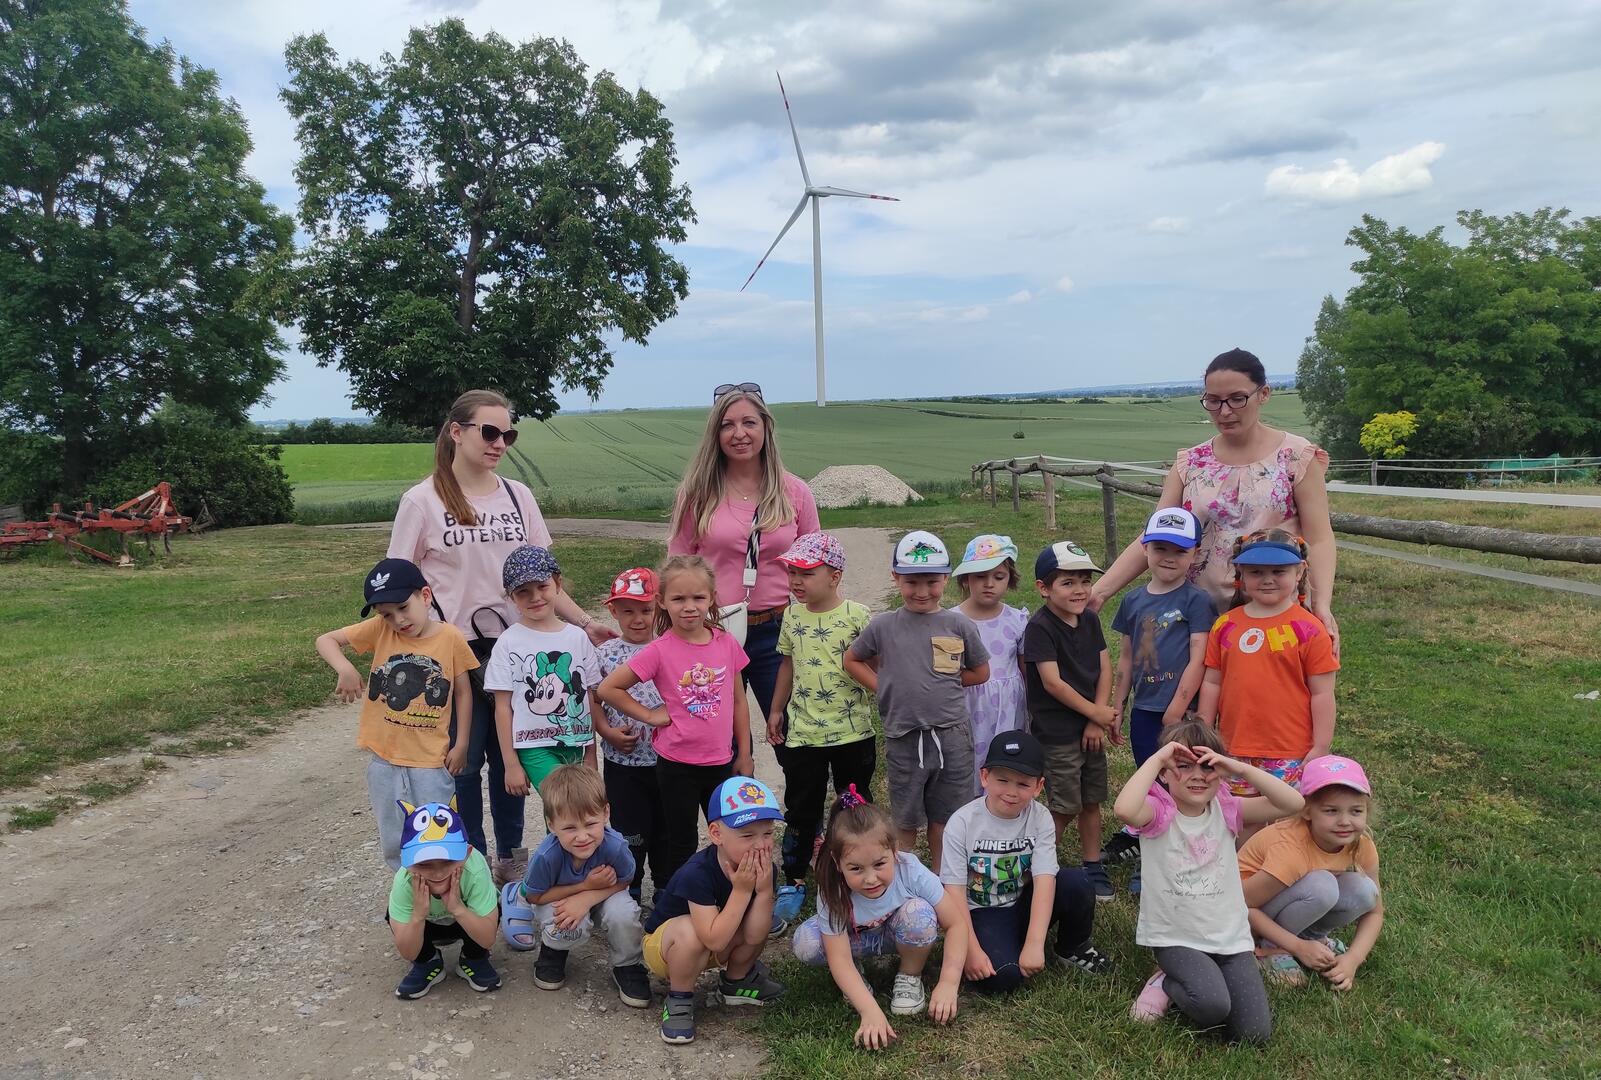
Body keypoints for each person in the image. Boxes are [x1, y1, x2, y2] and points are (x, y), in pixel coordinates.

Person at [389, 389, 614, 887]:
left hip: (520, 647)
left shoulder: (518, 496)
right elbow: (400, 586)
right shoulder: (421, 501)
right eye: (489, 432)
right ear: (456, 432)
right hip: (455, 652)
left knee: (510, 757)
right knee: (465, 763)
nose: (499, 443)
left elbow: (544, 578)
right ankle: (469, 856)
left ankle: (512, 856)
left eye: (508, 435)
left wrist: (583, 622)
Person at [1090, 348, 1339, 657]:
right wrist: (1100, 591)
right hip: (1197, 615)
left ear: (1263, 394)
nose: (1224, 411)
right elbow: (1155, 536)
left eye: (1237, 399)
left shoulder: (1296, 457)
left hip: (1272, 613)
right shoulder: (1190, 463)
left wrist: (1322, 605)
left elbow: (1319, 538)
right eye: (1213, 401)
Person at [1113, 721, 1304, 1041]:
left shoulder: (1228, 809)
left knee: (1254, 1034)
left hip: (1230, 937)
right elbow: (1123, 808)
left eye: (1207, 766)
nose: (1197, 775)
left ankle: (1207, 975)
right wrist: (1158, 759)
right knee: (1212, 1005)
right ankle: (1165, 983)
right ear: (1165, 773)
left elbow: (1293, 803)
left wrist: (1238, 768)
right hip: (1175, 937)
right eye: (1183, 766)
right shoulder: (1158, 812)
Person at [667, 383, 820, 755]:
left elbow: (815, 565)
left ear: (766, 427)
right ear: (715, 434)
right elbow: (677, 566)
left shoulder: (795, 492)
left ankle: (800, 798)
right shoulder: (697, 493)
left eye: (749, 422)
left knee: (794, 740)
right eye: (728, 425)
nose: (739, 434)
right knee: (720, 744)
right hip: (713, 631)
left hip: (778, 631)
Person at [596, 555, 751, 883]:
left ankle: (727, 893)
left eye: (698, 597)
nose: (689, 607)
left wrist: (745, 753)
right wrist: (650, 715)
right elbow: (609, 688)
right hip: (677, 766)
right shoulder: (660, 649)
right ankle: (677, 900)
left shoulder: (726, 643)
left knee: (729, 834)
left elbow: (739, 700)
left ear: (712, 598)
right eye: (679, 598)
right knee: (681, 841)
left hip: (721, 762)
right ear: (662, 602)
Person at [315, 557, 477, 870]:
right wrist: (344, 667)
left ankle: (446, 891)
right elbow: (326, 640)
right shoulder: (381, 630)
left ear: (425, 596)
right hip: (384, 760)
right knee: (394, 837)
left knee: (439, 833)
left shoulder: (450, 638)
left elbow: (463, 692)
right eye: (387, 614)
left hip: (430, 760)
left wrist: (462, 744)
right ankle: (407, 887)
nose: (398, 620)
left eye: (403, 607)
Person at [844, 530, 989, 873]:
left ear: (946, 579)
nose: (922, 592)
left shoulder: (959, 625)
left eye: (931, 582)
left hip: (952, 736)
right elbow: (852, 659)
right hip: (905, 736)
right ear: (895, 578)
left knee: (946, 817)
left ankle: (941, 878)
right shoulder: (883, 626)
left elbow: (980, 671)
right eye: (911, 582)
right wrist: (883, 685)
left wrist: (943, 683)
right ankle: (902, 878)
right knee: (906, 819)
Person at [791, 788, 969, 1050]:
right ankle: (856, 981)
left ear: (894, 851)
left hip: (898, 933)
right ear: (837, 862)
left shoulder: (911, 870)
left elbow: (956, 923)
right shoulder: (832, 887)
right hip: (853, 942)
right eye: (856, 868)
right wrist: (870, 1011)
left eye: (879, 864)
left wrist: (948, 983)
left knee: (920, 913)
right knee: (806, 941)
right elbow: (838, 957)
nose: (870, 878)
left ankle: (910, 974)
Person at [939, 731, 1112, 995]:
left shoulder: (1040, 818)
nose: (1011, 792)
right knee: (1002, 978)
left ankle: (1071, 947)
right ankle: (1000, 949)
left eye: (1023, 784)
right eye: (1002, 780)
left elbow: (1045, 879)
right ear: (984, 777)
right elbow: (953, 891)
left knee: (1078, 882)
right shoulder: (961, 823)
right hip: (982, 911)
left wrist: (1035, 943)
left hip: (1023, 900)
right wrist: (970, 950)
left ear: (1039, 786)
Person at [1102, 508, 1217, 893]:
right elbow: (1126, 658)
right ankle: (1149, 845)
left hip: (1181, 714)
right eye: (1160, 548)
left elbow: (1200, 657)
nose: (1169, 557)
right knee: (1150, 778)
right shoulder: (1132, 601)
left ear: (1195, 553)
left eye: (1180, 550)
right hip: (1145, 710)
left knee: (1182, 780)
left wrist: (1178, 708)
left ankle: (1177, 850)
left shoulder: (1196, 601)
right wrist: (1119, 704)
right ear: (1145, 549)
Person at [766, 531, 876, 931]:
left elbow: (876, 664)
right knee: (801, 807)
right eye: (792, 572)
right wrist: (775, 709)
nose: (796, 581)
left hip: (853, 732)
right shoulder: (792, 616)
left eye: (806, 573)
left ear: (835, 576)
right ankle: (794, 878)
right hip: (805, 733)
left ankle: (856, 869)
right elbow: (787, 664)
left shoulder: (858, 616)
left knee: (855, 804)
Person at [1196, 530, 1339, 810]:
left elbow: (1322, 693)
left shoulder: (1310, 629)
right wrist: (1204, 731)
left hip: (1290, 752)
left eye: (1278, 571)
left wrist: (1321, 746)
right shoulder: (1225, 625)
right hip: (1232, 749)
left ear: (1300, 572)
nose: (1267, 579)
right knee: (1237, 816)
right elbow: (1212, 683)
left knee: (1284, 818)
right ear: (1241, 573)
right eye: (1256, 572)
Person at [641, 775, 787, 1045]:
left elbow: (755, 935)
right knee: (690, 931)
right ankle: (680, 998)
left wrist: (765, 891)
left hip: (715, 941)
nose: (760, 845)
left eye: (768, 833)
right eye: (747, 835)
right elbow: (714, 940)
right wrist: (742, 891)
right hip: (666, 949)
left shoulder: (765, 869)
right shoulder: (697, 873)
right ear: (717, 834)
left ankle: (736, 981)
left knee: (761, 917)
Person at [496, 765, 650, 1008]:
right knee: (564, 918)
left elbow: (625, 880)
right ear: (551, 824)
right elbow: (535, 897)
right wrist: (584, 887)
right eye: (569, 828)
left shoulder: (615, 846)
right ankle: (554, 950)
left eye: (590, 824)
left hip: (603, 895)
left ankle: (628, 964)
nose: (582, 837)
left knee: (624, 912)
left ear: (606, 813)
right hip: (553, 896)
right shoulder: (547, 856)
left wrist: (586, 899)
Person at [1021, 540, 1117, 900]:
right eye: (1068, 582)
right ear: (1043, 588)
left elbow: (1104, 667)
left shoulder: (1089, 619)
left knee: (1091, 799)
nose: (1079, 590)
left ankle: (1092, 864)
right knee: (1063, 806)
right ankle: (1036, 869)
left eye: (1085, 581)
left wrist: (1096, 718)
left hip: (1089, 727)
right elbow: (1052, 683)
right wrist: (1094, 712)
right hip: (1058, 733)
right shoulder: (1040, 628)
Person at [1240, 755, 1383, 990]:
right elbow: (1241, 906)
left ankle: (1311, 937)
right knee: (1322, 885)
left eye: (1356, 811)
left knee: (1365, 890)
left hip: (1280, 902)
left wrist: (1353, 959)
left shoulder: (1362, 845)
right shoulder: (1291, 850)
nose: (1345, 821)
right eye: (1331, 811)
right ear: (1307, 811)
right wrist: (1296, 947)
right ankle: (1270, 948)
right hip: (1243, 919)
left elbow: (1375, 913)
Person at [486, 546, 601, 806]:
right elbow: (502, 707)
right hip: (534, 746)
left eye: (542, 586)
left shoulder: (577, 637)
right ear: (511, 597)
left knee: (577, 808)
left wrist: (591, 753)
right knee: (565, 804)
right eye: (523, 592)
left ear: (557, 584)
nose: (535, 597)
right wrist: (511, 764)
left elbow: (588, 697)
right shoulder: (508, 642)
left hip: (575, 742)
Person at [593, 568, 669, 904]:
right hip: (623, 762)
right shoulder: (605, 653)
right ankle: (629, 884)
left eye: (646, 610)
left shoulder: (670, 646)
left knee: (666, 826)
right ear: (613, 611)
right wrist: (607, 731)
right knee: (629, 830)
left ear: (659, 607)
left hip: (667, 759)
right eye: (628, 611)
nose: (638, 619)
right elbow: (594, 699)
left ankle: (666, 886)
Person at [386, 796, 501, 999]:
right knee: (397, 916)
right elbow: (408, 952)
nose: (438, 874)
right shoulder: (404, 881)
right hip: (427, 926)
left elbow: (487, 938)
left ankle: (473, 958)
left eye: (448, 862)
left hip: (464, 921)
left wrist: (457, 908)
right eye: (424, 865)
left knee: (492, 906)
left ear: (467, 853)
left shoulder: (475, 871)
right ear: (406, 862)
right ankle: (427, 961)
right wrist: (418, 916)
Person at [953, 534, 1030, 796]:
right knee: (969, 759)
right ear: (966, 579)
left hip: (1008, 707)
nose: (989, 584)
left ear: (1010, 579)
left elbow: (1024, 669)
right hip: (968, 706)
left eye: (999, 577)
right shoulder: (950, 621)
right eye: (980, 576)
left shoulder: (1017, 620)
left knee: (1005, 760)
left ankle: (1000, 805)